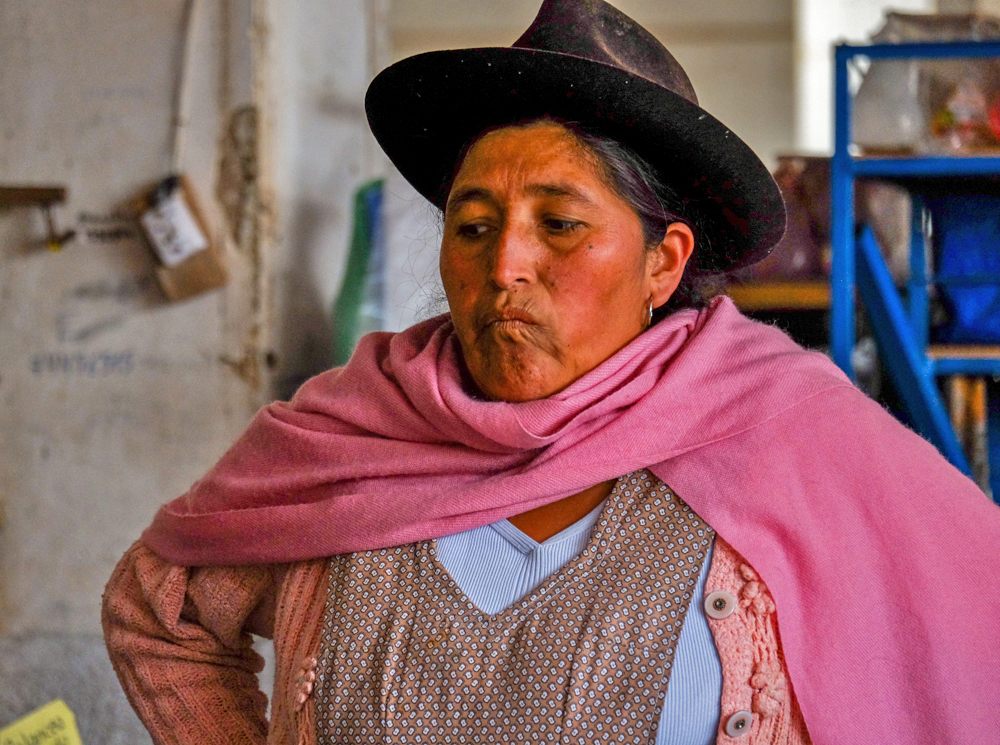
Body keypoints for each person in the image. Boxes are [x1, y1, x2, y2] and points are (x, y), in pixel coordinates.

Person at [103, 1, 1000, 743]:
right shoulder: (349, 436)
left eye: (560, 225)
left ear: (663, 261)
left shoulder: (792, 432)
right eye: (474, 224)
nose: (503, 268)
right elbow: (157, 607)